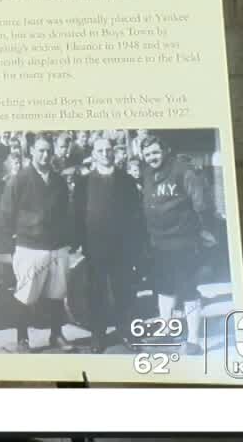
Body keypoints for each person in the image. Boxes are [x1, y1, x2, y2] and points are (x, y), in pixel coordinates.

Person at [0, 136, 76, 352]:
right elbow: (5, 214)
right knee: (25, 294)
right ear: (31, 150)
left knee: (56, 294)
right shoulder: (20, 179)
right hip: (30, 247)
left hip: (57, 247)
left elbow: (66, 213)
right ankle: (22, 339)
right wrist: (15, 242)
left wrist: (66, 241)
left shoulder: (59, 180)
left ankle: (56, 335)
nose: (45, 155)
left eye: (48, 151)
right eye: (41, 150)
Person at [140, 134, 213, 355]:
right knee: (164, 289)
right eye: (147, 154)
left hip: (184, 242)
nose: (152, 157)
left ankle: (193, 341)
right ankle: (166, 332)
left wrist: (204, 230)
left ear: (164, 151)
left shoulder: (182, 169)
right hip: (159, 243)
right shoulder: (148, 174)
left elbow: (200, 202)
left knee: (188, 289)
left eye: (155, 152)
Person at [75, 136, 145, 353]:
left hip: (122, 248)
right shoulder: (83, 182)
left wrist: (135, 246)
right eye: (101, 151)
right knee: (95, 292)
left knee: (124, 291)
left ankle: (125, 331)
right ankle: (98, 335)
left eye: (108, 150)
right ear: (94, 154)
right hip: (94, 247)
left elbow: (136, 215)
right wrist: (79, 243)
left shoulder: (126, 180)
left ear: (113, 152)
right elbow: (77, 215)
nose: (105, 154)